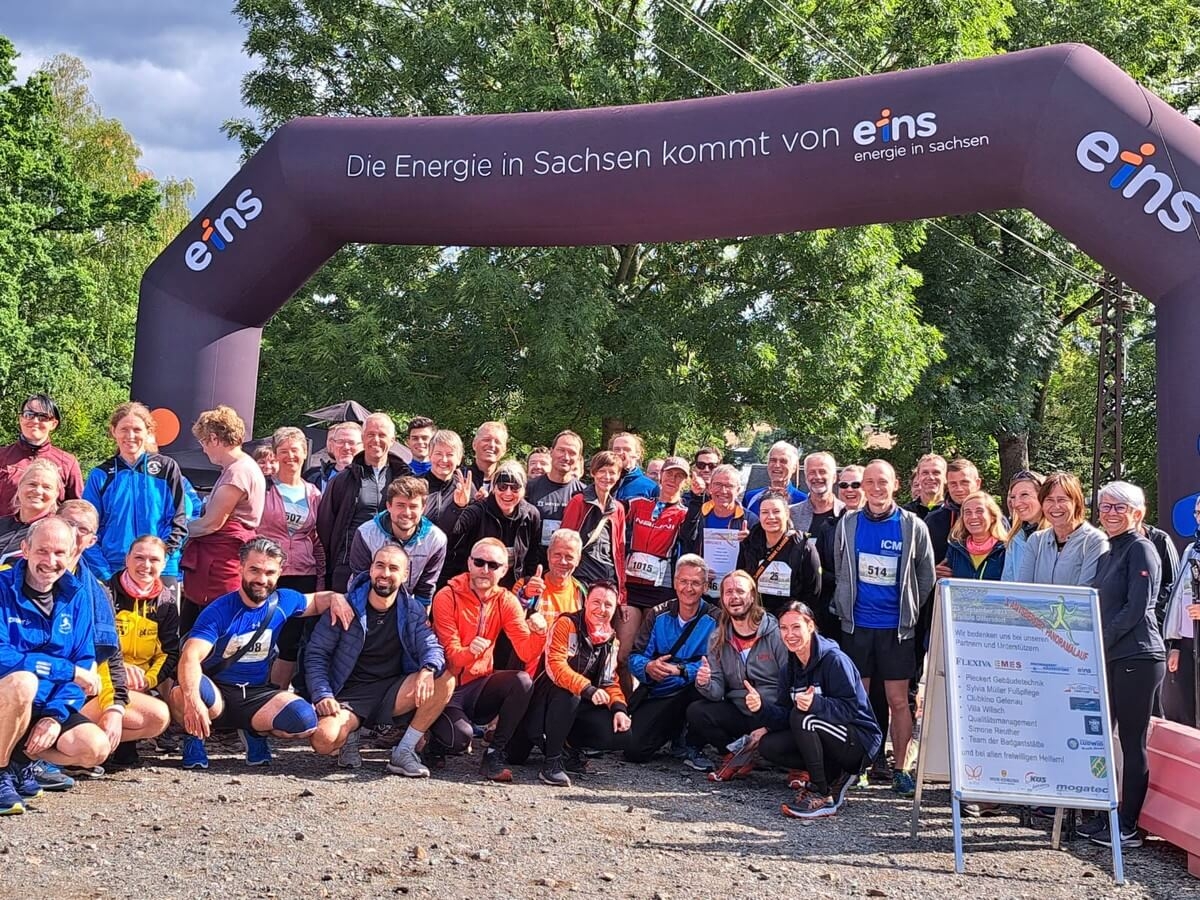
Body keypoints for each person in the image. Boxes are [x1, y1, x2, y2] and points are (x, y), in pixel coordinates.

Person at [168, 537, 354, 770]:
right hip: (216, 694)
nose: (262, 579)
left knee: (304, 720)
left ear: (279, 573)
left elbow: (316, 601)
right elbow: (191, 656)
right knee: (182, 691)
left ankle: (254, 731)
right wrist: (193, 700)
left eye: (269, 572)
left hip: (255, 694)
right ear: (241, 568)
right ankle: (194, 737)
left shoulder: (283, 601)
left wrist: (336, 598)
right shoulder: (219, 610)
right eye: (254, 570)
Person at [831, 459, 935, 797]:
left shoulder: (912, 526)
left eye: (883, 482)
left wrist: (908, 609)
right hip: (857, 625)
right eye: (870, 482)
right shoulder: (848, 523)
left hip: (896, 629)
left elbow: (926, 576)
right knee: (858, 698)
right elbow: (841, 568)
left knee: (898, 700)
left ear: (896, 484)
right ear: (863, 486)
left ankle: (901, 769)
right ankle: (859, 765)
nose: (876, 488)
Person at [306, 544, 456, 776]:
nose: (385, 573)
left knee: (444, 679)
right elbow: (316, 654)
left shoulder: (413, 609)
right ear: (370, 569)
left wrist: (428, 668)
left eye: (393, 568)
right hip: (350, 695)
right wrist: (322, 694)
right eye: (380, 566)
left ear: (405, 575)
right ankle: (350, 735)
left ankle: (404, 751)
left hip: (393, 691)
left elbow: (431, 645)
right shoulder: (344, 606)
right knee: (323, 741)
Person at [0, 518, 110, 815]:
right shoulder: (2, 587)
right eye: (42, 551)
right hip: (8, 696)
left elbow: (84, 660)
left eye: (60, 552)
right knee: (23, 682)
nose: (50, 561)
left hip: (47, 701)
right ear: (25, 549)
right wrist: (65, 671)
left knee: (94, 748)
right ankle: (0, 772)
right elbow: (3, 656)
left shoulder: (77, 594)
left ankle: (20, 762)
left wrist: (55, 715)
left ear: (73, 554)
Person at [1083, 481, 1166, 850]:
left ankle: (1128, 825)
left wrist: (1100, 640)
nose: (1111, 513)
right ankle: (1104, 815)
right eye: (1105, 506)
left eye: (1119, 507)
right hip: (1112, 656)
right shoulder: (1108, 553)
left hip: (1138, 656)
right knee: (1101, 737)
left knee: (1132, 742)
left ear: (1137, 513)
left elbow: (1137, 608)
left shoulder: (1141, 548)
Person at [61, 502, 170, 772]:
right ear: (126, 558)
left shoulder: (98, 592)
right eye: (68, 524)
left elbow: (110, 652)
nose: (145, 565)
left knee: (156, 716)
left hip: (106, 682)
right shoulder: (19, 575)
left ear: (92, 540)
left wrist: (118, 704)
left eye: (82, 529)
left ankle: (62, 751)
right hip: (46, 680)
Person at [430, 538, 546, 781]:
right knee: (459, 739)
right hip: (445, 686)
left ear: (504, 570)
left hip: (479, 685)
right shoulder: (447, 596)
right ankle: (433, 742)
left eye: (493, 565)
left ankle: (494, 753)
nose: (484, 570)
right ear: (468, 563)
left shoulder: (506, 600)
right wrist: (470, 651)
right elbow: (452, 656)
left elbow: (525, 652)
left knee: (522, 681)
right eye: (479, 562)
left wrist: (540, 633)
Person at [759, 602, 882, 819]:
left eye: (796, 627)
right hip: (828, 734)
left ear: (810, 626)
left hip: (860, 740)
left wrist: (815, 704)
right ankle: (833, 774)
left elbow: (851, 709)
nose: (789, 634)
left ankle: (822, 793)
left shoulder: (835, 660)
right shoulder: (789, 669)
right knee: (769, 745)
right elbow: (784, 717)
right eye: (784, 628)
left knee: (803, 718)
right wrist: (761, 707)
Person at [508, 581, 630, 786]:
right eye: (596, 602)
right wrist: (587, 688)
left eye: (608, 605)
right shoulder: (566, 623)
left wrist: (619, 709)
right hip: (543, 700)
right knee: (514, 756)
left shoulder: (611, 640)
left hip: (576, 702)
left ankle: (565, 751)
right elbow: (555, 666)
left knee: (622, 734)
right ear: (586, 602)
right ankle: (551, 762)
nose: (601, 609)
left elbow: (609, 681)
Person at [688, 570, 789, 778]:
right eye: (728, 592)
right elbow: (717, 692)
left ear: (752, 596)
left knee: (790, 726)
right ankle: (736, 754)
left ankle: (797, 766)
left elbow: (791, 685)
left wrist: (770, 725)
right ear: (722, 599)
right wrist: (705, 682)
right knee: (697, 711)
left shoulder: (776, 633)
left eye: (740, 591)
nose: (734, 597)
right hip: (741, 711)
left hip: (774, 712)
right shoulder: (717, 637)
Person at [83, 403, 189, 589]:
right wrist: (103, 572)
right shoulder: (101, 474)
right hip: (113, 568)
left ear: (148, 432)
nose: (130, 436)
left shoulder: (166, 468)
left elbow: (178, 521)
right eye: (124, 429)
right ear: (113, 431)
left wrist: (159, 557)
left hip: (160, 569)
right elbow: (86, 529)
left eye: (137, 429)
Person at [624, 555, 717, 768]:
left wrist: (682, 670)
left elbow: (717, 666)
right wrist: (648, 667)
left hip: (692, 689)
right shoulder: (657, 614)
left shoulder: (717, 618)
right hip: (661, 691)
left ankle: (692, 744)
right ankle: (673, 731)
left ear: (705, 587)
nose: (688, 588)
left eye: (695, 583)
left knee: (706, 685)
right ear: (675, 583)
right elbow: (635, 656)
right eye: (683, 581)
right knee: (634, 750)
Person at [181, 406, 267, 634]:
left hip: (221, 564)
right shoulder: (241, 467)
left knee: (208, 629)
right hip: (225, 559)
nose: (203, 449)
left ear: (214, 438)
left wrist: (177, 529)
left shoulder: (238, 472)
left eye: (203, 442)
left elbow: (212, 523)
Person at [259, 426, 326, 689]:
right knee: (259, 633)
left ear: (305, 453)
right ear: (275, 454)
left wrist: (321, 577)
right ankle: (249, 694)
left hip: (303, 574)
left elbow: (318, 538)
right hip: (267, 571)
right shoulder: (262, 487)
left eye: (295, 450)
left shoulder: (314, 493)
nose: (290, 456)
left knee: (290, 642)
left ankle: (275, 696)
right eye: (283, 451)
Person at [316, 412, 412, 593]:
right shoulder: (343, 480)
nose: (376, 440)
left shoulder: (403, 479)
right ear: (363, 438)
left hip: (389, 568)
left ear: (392, 440)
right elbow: (325, 524)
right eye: (370, 434)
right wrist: (340, 557)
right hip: (348, 566)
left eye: (382, 435)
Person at [621, 457, 692, 694]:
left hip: (660, 590)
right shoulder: (637, 504)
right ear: (660, 475)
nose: (673, 479)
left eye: (679, 476)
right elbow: (610, 514)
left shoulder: (684, 514)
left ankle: (647, 703)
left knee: (653, 655)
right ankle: (623, 702)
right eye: (670, 473)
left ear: (685, 482)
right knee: (623, 654)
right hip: (632, 587)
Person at [348, 475, 447, 608]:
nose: (407, 513)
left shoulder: (436, 540)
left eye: (413, 506)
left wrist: (420, 617)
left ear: (423, 508)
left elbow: (426, 588)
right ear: (389, 506)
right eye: (400, 505)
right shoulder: (366, 534)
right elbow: (360, 581)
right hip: (366, 598)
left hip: (407, 602)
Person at [109, 536, 181, 713]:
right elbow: (93, 646)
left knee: (162, 713)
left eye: (154, 560)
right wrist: (119, 671)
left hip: (142, 681)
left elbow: (169, 653)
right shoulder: (104, 593)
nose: (146, 565)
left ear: (164, 564)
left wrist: (148, 681)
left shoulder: (167, 603)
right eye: (139, 557)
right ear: (127, 559)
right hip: (106, 676)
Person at [443, 461, 541, 590]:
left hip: (512, 590)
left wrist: (527, 580)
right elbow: (450, 535)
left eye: (515, 488)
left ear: (523, 490)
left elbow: (532, 556)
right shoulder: (478, 511)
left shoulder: (531, 515)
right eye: (502, 486)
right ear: (494, 488)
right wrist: (458, 507)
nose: (508, 493)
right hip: (476, 588)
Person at [512, 529, 586, 676]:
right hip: (527, 673)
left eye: (569, 557)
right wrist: (525, 596)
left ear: (578, 560)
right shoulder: (525, 585)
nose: (562, 561)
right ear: (548, 555)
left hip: (564, 672)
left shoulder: (582, 592)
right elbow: (510, 621)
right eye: (557, 555)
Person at [737, 491, 821, 617]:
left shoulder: (804, 547)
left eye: (776, 511)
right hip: (756, 617)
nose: (770, 517)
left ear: (787, 514)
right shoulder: (749, 544)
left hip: (790, 620)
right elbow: (741, 576)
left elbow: (813, 592)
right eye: (765, 512)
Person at [1018, 471, 1108, 587]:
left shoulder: (1094, 541)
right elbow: (1023, 589)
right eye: (1049, 500)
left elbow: (1084, 593)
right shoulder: (1036, 540)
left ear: (1076, 502)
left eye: (1062, 500)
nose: (1056, 506)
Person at [680, 464, 756, 598]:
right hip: (699, 590)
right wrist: (698, 571)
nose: (723, 490)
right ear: (710, 488)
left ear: (738, 490)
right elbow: (686, 545)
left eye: (729, 486)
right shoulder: (698, 514)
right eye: (718, 484)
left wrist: (748, 542)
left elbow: (756, 563)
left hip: (734, 594)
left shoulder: (750, 520)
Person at [0, 394, 83, 516]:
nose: (35, 421)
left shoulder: (68, 463)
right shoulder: (2, 456)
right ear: (21, 419)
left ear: (53, 424)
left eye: (42, 417)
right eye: (29, 414)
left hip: (49, 527)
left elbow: (76, 510)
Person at [789, 452, 845, 633]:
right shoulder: (791, 514)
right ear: (805, 478)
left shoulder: (848, 516)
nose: (817, 477)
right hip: (800, 605)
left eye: (823, 471)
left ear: (834, 477)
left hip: (836, 608)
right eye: (812, 472)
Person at [561, 451, 627, 596]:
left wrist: (622, 591)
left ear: (618, 475)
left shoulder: (618, 509)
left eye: (612, 472)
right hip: (581, 576)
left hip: (608, 577)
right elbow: (564, 541)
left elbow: (619, 551)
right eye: (602, 471)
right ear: (593, 473)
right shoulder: (579, 501)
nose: (607, 477)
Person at [1161, 494, 1200, 727]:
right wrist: (1175, 646)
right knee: (1187, 710)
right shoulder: (1191, 550)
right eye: (1198, 513)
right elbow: (1178, 598)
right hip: (1189, 642)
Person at [524, 430, 584, 567]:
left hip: (564, 566)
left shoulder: (584, 493)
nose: (566, 457)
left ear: (579, 458)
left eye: (572, 452)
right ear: (551, 452)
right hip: (531, 565)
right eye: (561, 450)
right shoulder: (529, 488)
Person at [0, 460, 62, 564]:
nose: (38, 491)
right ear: (19, 487)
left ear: (56, 494)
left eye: (47, 487)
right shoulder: (2, 523)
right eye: (32, 484)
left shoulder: (57, 532)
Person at [924, 457, 982, 565]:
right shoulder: (933, 520)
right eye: (953, 484)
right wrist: (934, 571)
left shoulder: (994, 519)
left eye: (965, 482)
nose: (959, 489)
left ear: (977, 483)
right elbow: (920, 561)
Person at [942, 491, 1007, 580]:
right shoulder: (955, 549)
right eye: (968, 512)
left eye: (979, 511)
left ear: (992, 517)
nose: (973, 517)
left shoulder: (1005, 549)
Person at [1001, 470, 1045, 582]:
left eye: (1024, 495)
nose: (1016, 503)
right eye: (1013, 497)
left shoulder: (1059, 537)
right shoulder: (1015, 538)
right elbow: (1007, 583)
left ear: (1042, 497)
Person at [743, 441, 807, 514]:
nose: (777, 465)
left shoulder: (804, 501)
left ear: (794, 468)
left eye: (783, 461)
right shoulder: (750, 498)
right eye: (773, 460)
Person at [304, 422, 363, 492]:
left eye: (351, 442)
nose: (346, 447)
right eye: (340, 442)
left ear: (363, 446)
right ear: (332, 445)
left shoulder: (372, 479)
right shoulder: (312, 478)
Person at [423, 429, 464, 530]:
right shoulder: (414, 484)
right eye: (438, 453)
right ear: (430, 455)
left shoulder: (465, 488)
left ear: (459, 459)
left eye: (450, 455)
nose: (444, 460)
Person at [609, 432, 659, 504]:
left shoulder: (650, 487)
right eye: (617, 449)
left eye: (627, 449)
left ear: (638, 454)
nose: (621, 453)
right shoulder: (603, 481)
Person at [465, 421, 509, 495]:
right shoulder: (459, 478)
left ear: (504, 450)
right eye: (486, 439)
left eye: (497, 442)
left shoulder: (510, 482)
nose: (492, 445)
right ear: (474, 444)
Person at [903, 453, 946, 520]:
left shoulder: (955, 513)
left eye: (936, 472)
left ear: (945, 477)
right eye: (925, 473)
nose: (930, 477)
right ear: (918, 477)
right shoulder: (905, 514)